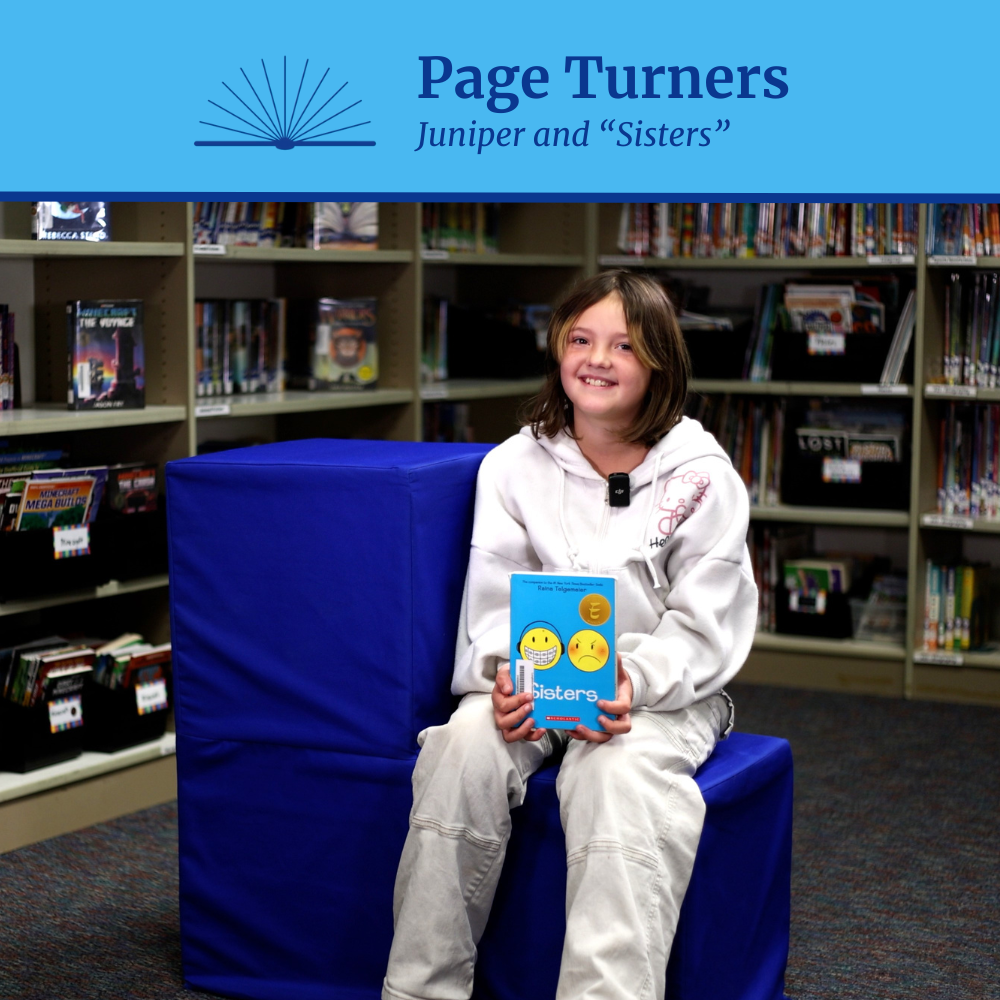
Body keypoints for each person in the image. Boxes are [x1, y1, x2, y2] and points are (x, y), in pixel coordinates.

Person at [383, 270, 757, 1000]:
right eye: (581, 340)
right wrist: (500, 676)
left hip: (659, 696)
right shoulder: (512, 467)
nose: (597, 358)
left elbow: (706, 625)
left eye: (624, 345)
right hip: (534, 681)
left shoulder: (704, 478)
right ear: (558, 350)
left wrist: (633, 681)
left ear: (658, 363)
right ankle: (419, 990)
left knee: (613, 772)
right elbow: (492, 601)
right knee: (461, 750)